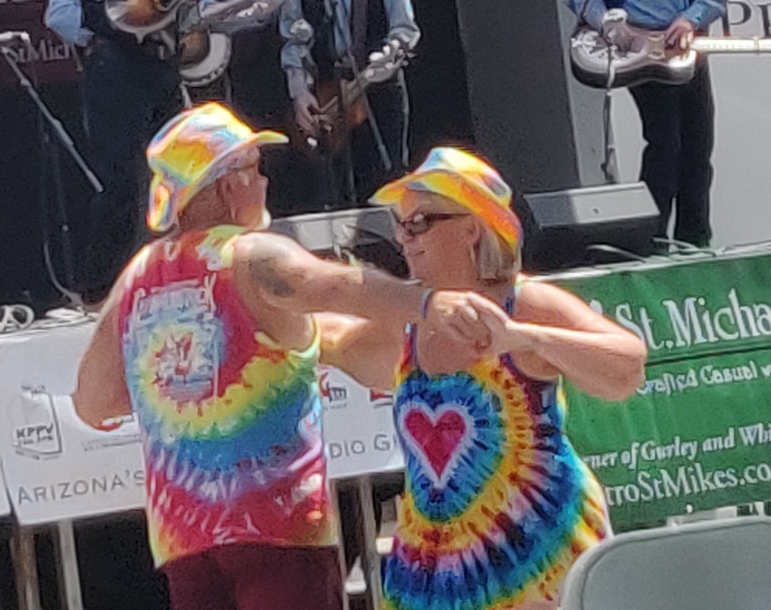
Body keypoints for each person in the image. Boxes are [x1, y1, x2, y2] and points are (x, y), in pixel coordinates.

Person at [71, 103, 509, 610]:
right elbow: (340, 286)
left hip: (185, 538)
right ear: (228, 185)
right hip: (277, 525)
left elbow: (92, 402)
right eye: (256, 170)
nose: (263, 185)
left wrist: (173, 389)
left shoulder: (138, 275)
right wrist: (430, 303)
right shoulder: (252, 255)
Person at [320, 147, 647, 609]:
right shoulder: (409, 324)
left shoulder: (525, 303)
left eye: (419, 222)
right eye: (399, 223)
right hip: (436, 577)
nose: (403, 237)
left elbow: (627, 367)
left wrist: (525, 339)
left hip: (537, 562)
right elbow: (325, 339)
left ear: (471, 227)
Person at [45, 0, 231, 303]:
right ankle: (98, 292)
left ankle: (183, 272)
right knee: (123, 180)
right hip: (116, 68)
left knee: (182, 169)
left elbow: (163, 9)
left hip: (160, 64)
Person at [568, 0, 727, 247]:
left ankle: (695, 238)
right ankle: (651, 238)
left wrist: (690, 18)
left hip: (685, 46)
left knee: (699, 143)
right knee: (664, 143)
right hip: (639, 50)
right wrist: (610, 23)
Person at [279, 0, 421, 207]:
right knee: (336, 194)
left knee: (386, 183)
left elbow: (405, 29)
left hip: (379, 89)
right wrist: (299, 92)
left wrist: (378, 68)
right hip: (330, 91)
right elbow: (294, 38)